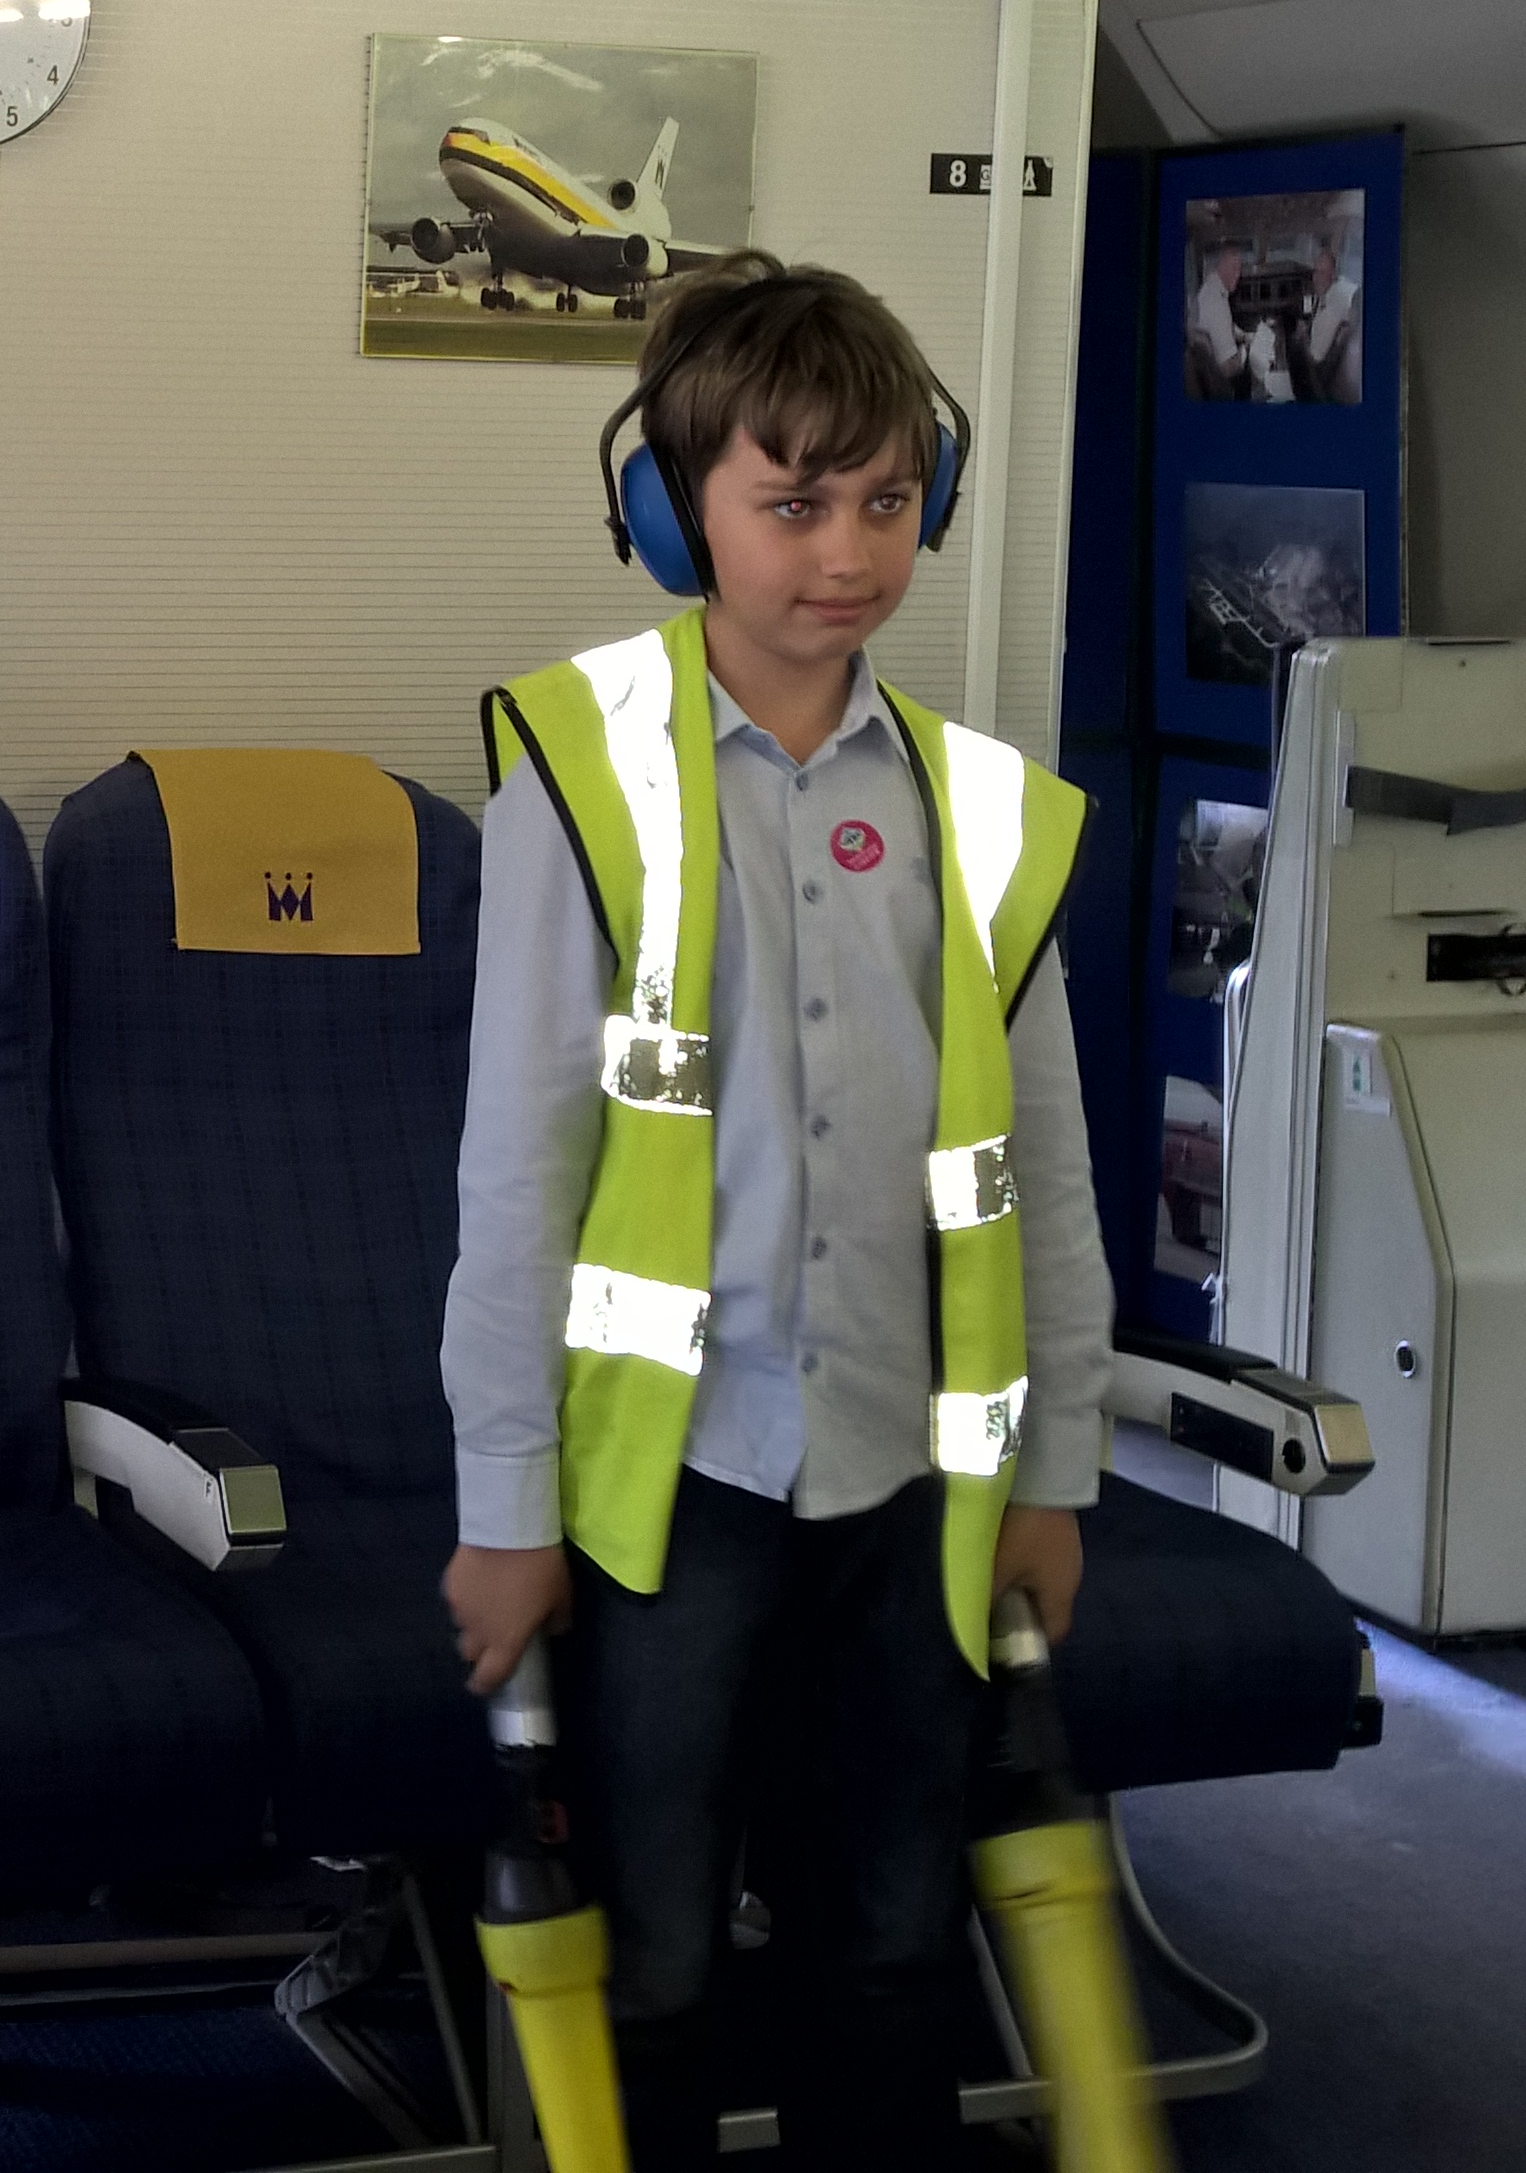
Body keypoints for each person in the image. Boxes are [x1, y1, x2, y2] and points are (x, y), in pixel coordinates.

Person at [436, 252, 1112, 2169]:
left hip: (912, 1482)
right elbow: (517, 1172)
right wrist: (504, 1510)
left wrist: (1056, 1470)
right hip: (675, 1492)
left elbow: (1043, 1169)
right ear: (677, 514)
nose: (849, 552)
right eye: (793, 503)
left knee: (891, 1949)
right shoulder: (582, 778)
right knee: (653, 1962)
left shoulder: (982, 813)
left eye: (887, 500)